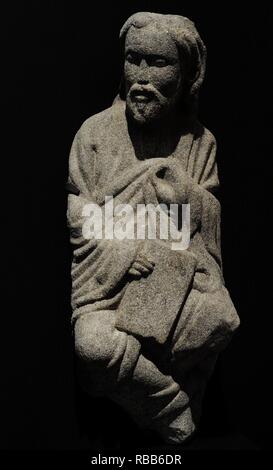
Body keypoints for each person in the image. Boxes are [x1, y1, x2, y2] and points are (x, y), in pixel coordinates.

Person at [67, 12, 239, 444]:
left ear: (186, 76)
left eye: (158, 64)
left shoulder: (200, 143)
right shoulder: (94, 136)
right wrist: (127, 252)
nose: (141, 77)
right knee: (93, 347)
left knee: (219, 318)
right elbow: (77, 215)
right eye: (133, 60)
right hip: (110, 285)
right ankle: (170, 404)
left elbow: (208, 222)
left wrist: (187, 196)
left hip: (175, 279)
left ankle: (138, 375)